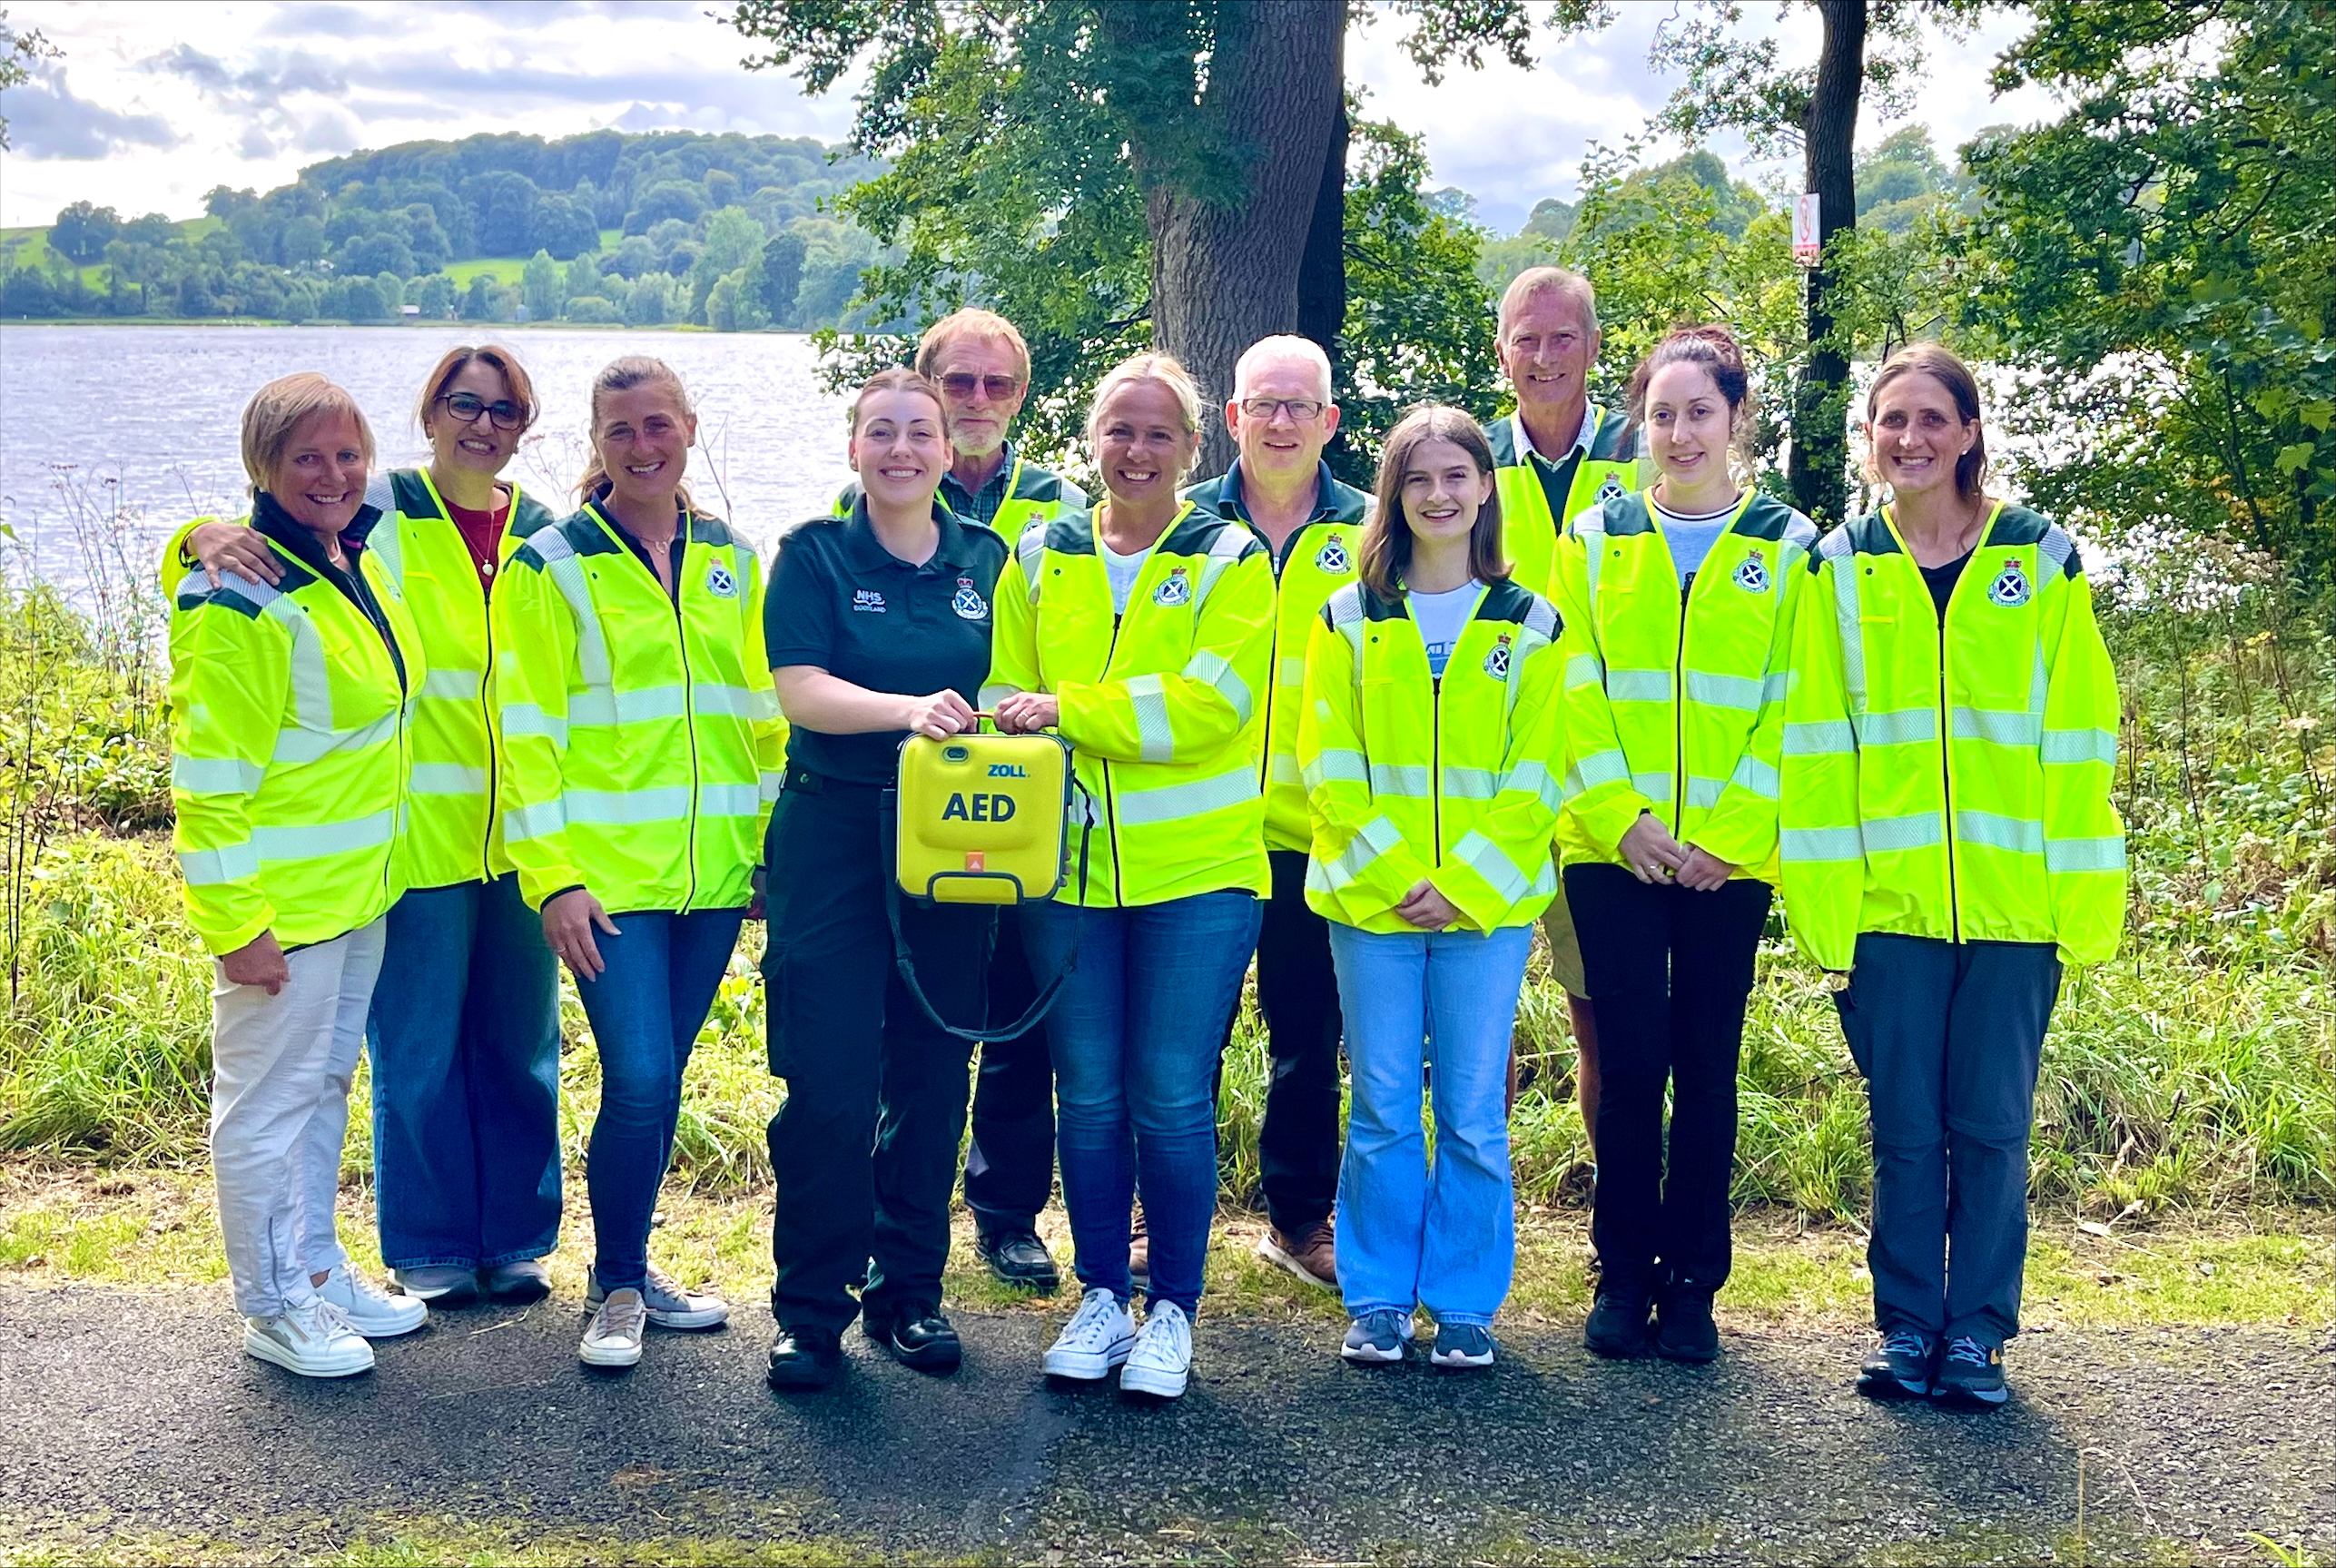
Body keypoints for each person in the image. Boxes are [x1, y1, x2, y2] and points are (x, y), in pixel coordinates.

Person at [174, 346, 564, 1310]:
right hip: (410, 844)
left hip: (516, 841)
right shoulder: (378, 507)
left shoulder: (547, 532)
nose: (485, 422)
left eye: (506, 407)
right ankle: (424, 1248)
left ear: (527, 423)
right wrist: (195, 535)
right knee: (414, 1057)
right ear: (429, 412)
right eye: (463, 403)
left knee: (519, 1051)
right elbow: (244, 553)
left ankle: (509, 1239)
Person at [1780, 342, 2126, 1411]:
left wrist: (2080, 899)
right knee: (1905, 1131)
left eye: (1933, 419)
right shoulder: (1836, 565)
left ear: (1969, 431)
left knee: (1987, 1127)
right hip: (1887, 907)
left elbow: (2079, 735)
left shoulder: (2041, 558)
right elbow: (1814, 744)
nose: (1911, 439)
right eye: (1891, 421)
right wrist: (1826, 918)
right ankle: (1904, 1328)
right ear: (1868, 437)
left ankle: (1975, 1331)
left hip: (2014, 905)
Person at [986, 352, 1276, 1401]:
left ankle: (1174, 1309)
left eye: (1159, 433)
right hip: (1065, 876)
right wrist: (1040, 705)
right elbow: (1000, 691)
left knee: (1167, 1094)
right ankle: (1103, 1292)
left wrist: (1072, 709)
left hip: (1196, 875)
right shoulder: (1041, 550)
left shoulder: (1229, 556)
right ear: (1091, 437)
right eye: (1118, 429)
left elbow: (1211, 705)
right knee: (1091, 1094)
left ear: (1192, 449)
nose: (1136, 450)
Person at [494, 356, 784, 1370]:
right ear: (595, 442)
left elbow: (760, 714)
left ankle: (632, 1265)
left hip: (710, 880)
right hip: (607, 883)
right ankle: (615, 1286)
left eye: (658, 423)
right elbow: (522, 730)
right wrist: (554, 876)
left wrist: (762, 845)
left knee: (662, 1081)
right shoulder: (551, 560)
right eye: (620, 430)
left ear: (690, 427)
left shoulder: (731, 558)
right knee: (643, 1079)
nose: (643, 444)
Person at [1554, 325, 1817, 1365]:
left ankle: (1692, 1285)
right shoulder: (1593, 536)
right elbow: (1568, 688)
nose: (1677, 432)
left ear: (1735, 418)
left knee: (1706, 1066)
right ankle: (1621, 1275)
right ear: (1639, 422)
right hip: (1611, 849)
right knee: (1626, 1066)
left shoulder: (1787, 545)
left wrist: (1726, 835)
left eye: (1697, 411)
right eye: (1659, 414)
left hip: (1725, 860)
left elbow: (1796, 704)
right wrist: (1621, 816)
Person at [169, 372, 429, 1376]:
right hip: (280, 904)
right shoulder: (238, 592)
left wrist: (187, 526)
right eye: (307, 457)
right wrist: (236, 921)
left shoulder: (346, 554)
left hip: (353, 894)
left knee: (322, 1088)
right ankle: (270, 1304)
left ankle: (315, 1270)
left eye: (348, 453)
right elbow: (209, 783)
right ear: (264, 469)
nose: (334, 473)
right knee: (266, 1107)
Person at [1298, 405, 1565, 1371]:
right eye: (1417, 479)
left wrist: (1462, 883)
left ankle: (1460, 1299)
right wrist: (1395, 873)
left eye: (1456, 475)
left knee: (1468, 1111)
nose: (1438, 495)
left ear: (1484, 487)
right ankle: (1374, 1296)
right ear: (1393, 495)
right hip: (1370, 904)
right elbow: (1327, 765)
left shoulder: (1529, 621)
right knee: (1375, 1102)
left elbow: (1538, 774)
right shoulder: (1348, 616)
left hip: (1481, 911)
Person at [762, 368, 1010, 1390]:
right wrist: (909, 708)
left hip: (954, 839)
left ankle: (908, 1292)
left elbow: (1019, 678)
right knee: (827, 1084)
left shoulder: (991, 560)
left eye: (921, 433)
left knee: (927, 1072)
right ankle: (809, 1309)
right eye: (881, 432)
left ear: (951, 450)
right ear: (853, 448)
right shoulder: (813, 554)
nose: (901, 449)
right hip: (831, 834)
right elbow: (801, 689)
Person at [833, 310, 1087, 1295]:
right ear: (927, 392)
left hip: (1026, 804)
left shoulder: (1062, 508)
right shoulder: (864, 499)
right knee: (905, 1020)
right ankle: (884, 1209)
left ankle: (1006, 1210)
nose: (978, 401)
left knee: (1019, 1016)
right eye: (959, 384)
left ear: (1021, 396)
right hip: (906, 807)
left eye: (997, 385)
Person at [1182, 334, 1372, 1291]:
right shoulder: (1184, 524)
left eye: (1301, 405)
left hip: (1314, 829)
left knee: (1308, 1035)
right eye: (1265, 404)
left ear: (1329, 420)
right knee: (1185, 1034)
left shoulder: (1374, 530)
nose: (1283, 421)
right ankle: (1157, 1209)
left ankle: (1297, 1218)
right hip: (1201, 825)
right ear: (1233, 418)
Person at [1488, 267, 1644, 1159]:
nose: (1543, 357)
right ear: (1500, 350)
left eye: (1562, 337)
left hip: (1599, 775)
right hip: (1487, 772)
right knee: (1477, 1021)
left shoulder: (1646, 450)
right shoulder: (1464, 459)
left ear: (1591, 344)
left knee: (1602, 1022)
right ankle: (1476, 1227)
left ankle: (1616, 1231)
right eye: (1525, 338)